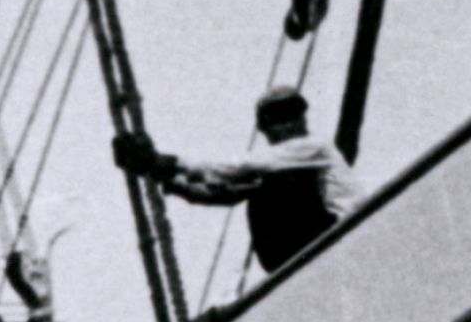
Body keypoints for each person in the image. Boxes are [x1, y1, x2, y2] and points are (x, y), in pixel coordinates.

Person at [125, 84, 363, 275]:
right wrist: (168, 179)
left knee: (269, 193)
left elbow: (239, 168)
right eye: (280, 118)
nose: (291, 123)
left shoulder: (313, 148)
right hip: (321, 247)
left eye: (294, 115)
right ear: (266, 128)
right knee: (262, 193)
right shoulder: (281, 171)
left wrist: (171, 163)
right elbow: (225, 193)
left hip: (345, 235)